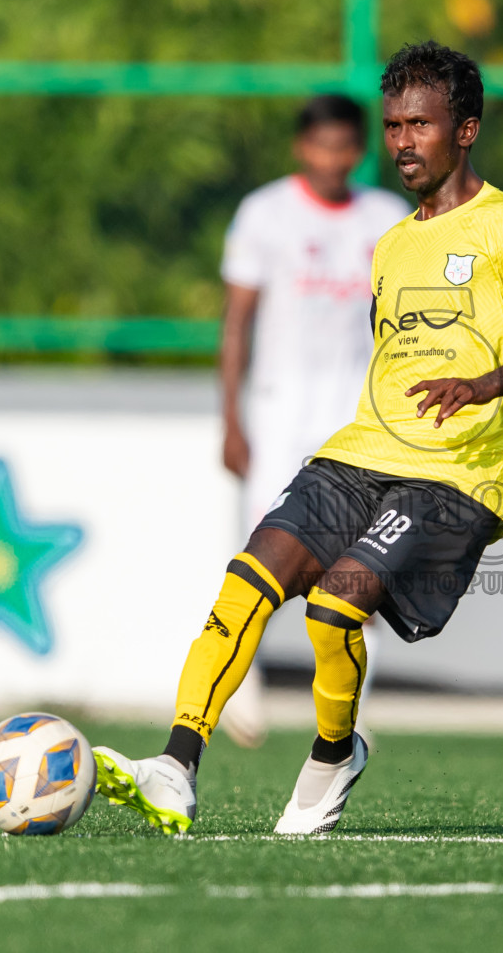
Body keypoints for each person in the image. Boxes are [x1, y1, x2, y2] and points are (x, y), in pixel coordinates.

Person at [94, 41, 503, 835]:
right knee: (246, 581)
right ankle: (174, 764)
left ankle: (334, 753)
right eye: (394, 125)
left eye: (421, 125)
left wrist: (486, 384)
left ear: (465, 130)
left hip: (459, 473)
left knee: (334, 610)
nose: (403, 141)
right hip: (362, 449)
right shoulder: (393, 241)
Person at [215, 94, 409, 749]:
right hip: (278, 412)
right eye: (322, 145)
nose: (334, 158)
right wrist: (232, 420)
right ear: (303, 148)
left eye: (346, 146)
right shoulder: (264, 214)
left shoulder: (386, 219)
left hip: (355, 419)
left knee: (363, 564)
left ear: (361, 151)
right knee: (262, 552)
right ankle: (241, 685)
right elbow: (237, 321)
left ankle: (352, 710)